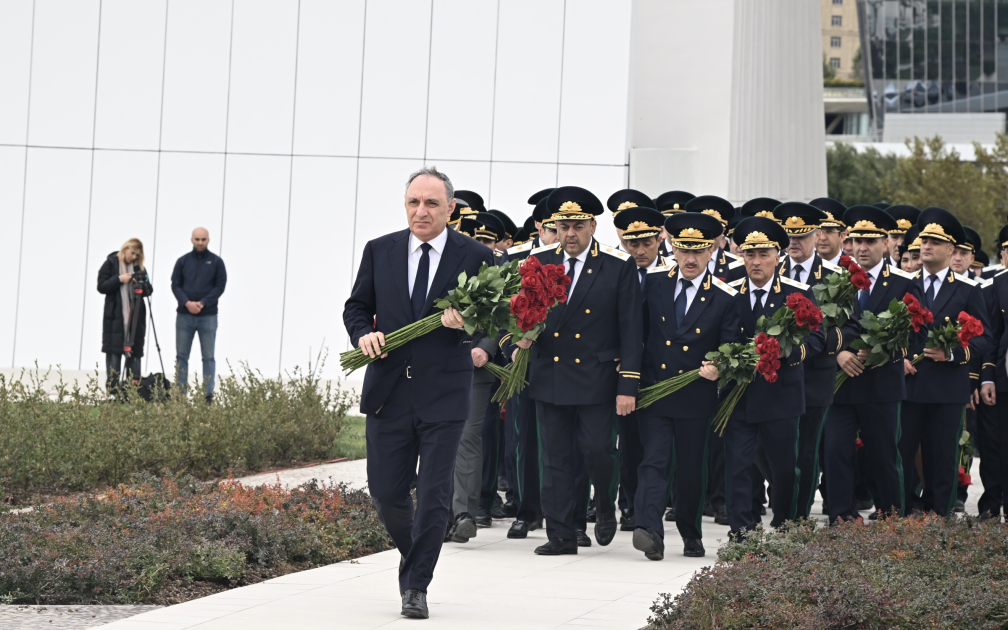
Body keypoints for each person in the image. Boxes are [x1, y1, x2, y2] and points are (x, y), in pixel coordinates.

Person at [344, 166, 495, 619]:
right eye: (414, 202)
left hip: (444, 394)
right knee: (386, 490)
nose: (421, 211)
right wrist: (361, 336)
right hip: (389, 390)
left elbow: (489, 321)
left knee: (433, 494)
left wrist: (466, 324)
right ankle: (416, 558)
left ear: (450, 208)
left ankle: (416, 587)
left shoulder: (476, 256)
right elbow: (357, 306)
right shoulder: (380, 250)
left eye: (431, 203)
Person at [507, 186, 643, 556]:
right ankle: (562, 535)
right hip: (549, 375)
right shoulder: (537, 263)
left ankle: (603, 503)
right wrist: (517, 342)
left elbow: (631, 328)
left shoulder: (617, 265)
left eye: (577, 226)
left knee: (598, 451)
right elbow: (515, 316)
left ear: (592, 226)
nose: (570, 233)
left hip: (597, 378)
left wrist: (628, 383)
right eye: (563, 225)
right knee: (555, 460)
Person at [633, 212, 740, 560]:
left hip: (696, 395)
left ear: (712, 251)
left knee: (692, 469)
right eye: (683, 250)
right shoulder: (654, 282)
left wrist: (719, 366)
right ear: (673, 249)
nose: (690, 259)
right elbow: (638, 331)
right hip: (656, 390)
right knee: (654, 461)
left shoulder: (725, 296)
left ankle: (691, 533)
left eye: (699, 251)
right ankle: (650, 530)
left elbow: (731, 343)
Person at [724, 217, 825, 539]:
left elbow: (817, 339)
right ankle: (742, 529)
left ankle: (785, 524)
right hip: (738, 395)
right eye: (750, 255)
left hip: (781, 394)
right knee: (738, 465)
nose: (756, 262)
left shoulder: (796, 294)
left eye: (764, 254)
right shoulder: (728, 291)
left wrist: (788, 353)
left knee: (784, 469)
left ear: (778, 257)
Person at [828, 205, 918, 523]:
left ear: (886, 244)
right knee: (837, 450)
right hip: (842, 383)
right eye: (857, 241)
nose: (862, 248)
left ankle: (891, 513)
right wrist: (838, 353)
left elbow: (914, 332)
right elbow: (823, 325)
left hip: (880, 384)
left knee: (882, 454)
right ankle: (841, 514)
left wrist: (880, 350)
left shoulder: (904, 283)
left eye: (870, 241)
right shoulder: (839, 281)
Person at [900, 207, 992, 517]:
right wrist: (898, 357)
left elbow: (984, 338)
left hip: (947, 389)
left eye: (935, 243)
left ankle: (939, 515)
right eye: (923, 241)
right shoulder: (904, 285)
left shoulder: (968, 290)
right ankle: (905, 514)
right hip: (909, 387)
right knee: (903, 453)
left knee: (942, 458)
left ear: (951, 250)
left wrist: (953, 352)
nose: (926, 246)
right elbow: (890, 331)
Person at [773, 202, 841, 520]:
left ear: (816, 236)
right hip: (778, 374)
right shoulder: (774, 271)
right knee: (773, 445)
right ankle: (781, 501)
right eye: (789, 236)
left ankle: (797, 512)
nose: (794, 242)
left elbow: (846, 327)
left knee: (807, 447)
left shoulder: (834, 278)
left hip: (815, 373)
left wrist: (812, 345)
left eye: (801, 236)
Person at [446, 213, 507, 543]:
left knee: (466, 439)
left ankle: (464, 514)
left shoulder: (489, 264)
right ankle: (438, 514)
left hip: (474, 368)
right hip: (433, 368)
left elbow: (502, 316)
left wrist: (486, 346)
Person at [612, 204, 669, 531]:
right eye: (633, 243)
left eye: (646, 242)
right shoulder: (616, 271)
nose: (640, 250)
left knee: (657, 448)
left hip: (661, 373)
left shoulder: (672, 274)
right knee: (629, 444)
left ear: (659, 239)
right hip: (621, 373)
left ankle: (652, 505)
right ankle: (628, 505)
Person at [171, 227, 227, 403]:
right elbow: (175, 285)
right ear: (192, 240)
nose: (200, 242)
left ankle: (208, 394)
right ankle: (181, 393)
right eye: (197, 239)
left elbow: (220, 286)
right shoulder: (182, 262)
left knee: (208, 356)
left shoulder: (217, 262)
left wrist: (202, 303)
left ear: (208, 240)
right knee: (181, 356)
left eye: (203, 239)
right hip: (184, 316)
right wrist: (187, 303)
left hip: (208, 316)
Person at [97, 238, 153, 395]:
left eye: (137, 255)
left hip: (135, 320)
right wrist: (120, 279)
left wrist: (141, 284)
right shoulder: (110, 263)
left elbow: (149, 290)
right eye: (132, 253)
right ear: (125, 249)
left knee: (134, 355)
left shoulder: (139, 267)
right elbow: (101, 286)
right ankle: (113, 392)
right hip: (115, 318)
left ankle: (133, 393)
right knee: (114, 355)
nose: (134, 257)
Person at [809, 197, 847, 266]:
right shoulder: (803, 266)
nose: (822, 238)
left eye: (829, 231)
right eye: (817, 231)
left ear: (842, 236)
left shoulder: (853, 268)